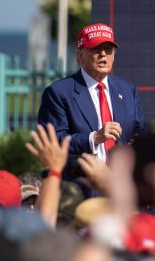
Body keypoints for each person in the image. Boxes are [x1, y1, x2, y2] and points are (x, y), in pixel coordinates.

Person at [37, 23, 145, 168]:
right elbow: (51, 143)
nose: (103, 54)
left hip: (121, 183)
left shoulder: (127, 90)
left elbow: (139, 132)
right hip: (80, 184)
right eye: (96, 49)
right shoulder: (58, 93)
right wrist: (94, 138)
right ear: (80, 56)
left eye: (108, 50)